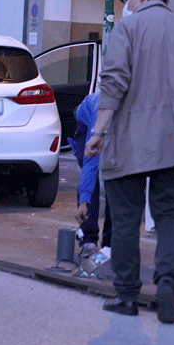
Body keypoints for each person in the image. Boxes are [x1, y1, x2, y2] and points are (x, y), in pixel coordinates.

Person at [84, 0, 174, 324]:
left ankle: (126, 295)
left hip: (130, 142)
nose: (124, 4)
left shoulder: (128, 30)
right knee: (171, 216)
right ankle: (167, 283)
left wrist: (97, 132)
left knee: (126, 218)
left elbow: (114, 83)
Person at [68, 91, 112, 265]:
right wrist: (84, 202)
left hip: (114, 129)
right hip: (86, 125)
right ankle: (88, 240)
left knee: (116, 179)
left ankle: (110, 244)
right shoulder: (99, 111)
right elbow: (90, 162)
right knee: (92, 177)